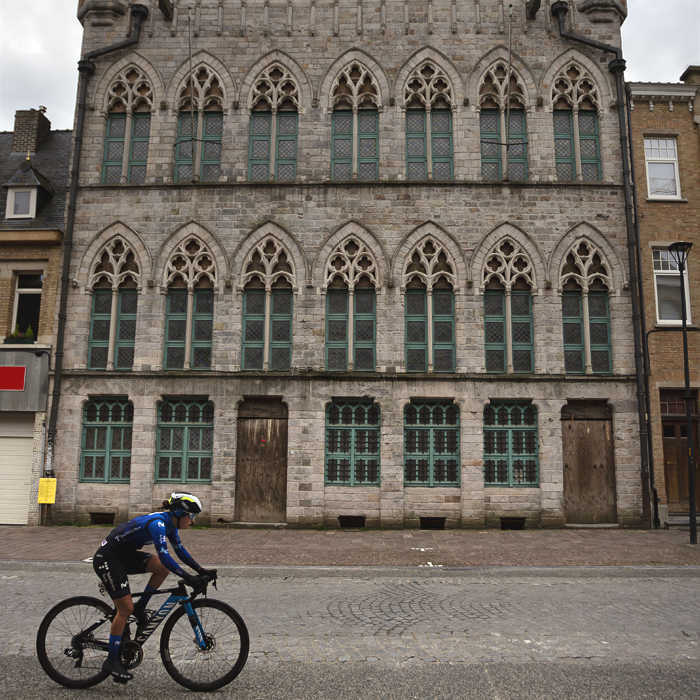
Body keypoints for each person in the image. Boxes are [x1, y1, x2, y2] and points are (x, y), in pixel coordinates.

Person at [92, 492, 216, 683]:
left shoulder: (170, 524)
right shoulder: (158, 524)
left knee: (161, 568)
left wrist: (201, 570)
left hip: (124, 556)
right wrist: (188, 577)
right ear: (181, 513)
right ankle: (112, 661)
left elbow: (180, 551)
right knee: (125, 609)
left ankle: (141, 608)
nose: (192, 521)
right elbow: (166, 556)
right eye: (191, 516)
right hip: (108, 558)